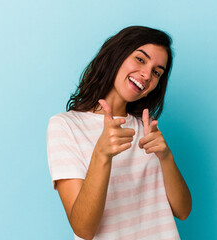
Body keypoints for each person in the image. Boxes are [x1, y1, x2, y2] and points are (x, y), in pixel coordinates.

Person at [47, 26, 192, 240]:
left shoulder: (147, 127)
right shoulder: (65, 126)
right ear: (117, 55)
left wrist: (166, 157)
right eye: (140, 59)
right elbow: (83, 229)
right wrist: (101, 155)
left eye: (156, 72)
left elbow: (183, 211)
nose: (146, 75)